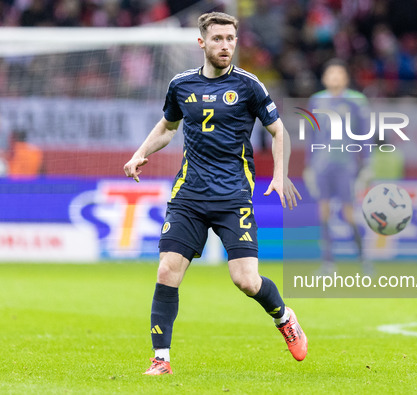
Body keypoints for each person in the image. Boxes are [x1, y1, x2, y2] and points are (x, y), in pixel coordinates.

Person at [123, 12, 306, 375]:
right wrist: (141, 152)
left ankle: (284, 316)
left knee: (246, 280)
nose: (225, 45)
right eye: (218, 38)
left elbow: (279, 131)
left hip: (233, 195)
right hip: (188, 195)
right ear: (202, 43)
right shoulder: (181, 85)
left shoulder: (250, 86)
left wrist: (280, 175)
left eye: (230, 39)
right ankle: (161, 359)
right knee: (166, 271)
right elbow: (167, 126)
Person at [303, 59, 371, 274]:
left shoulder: (357, 101)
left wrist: (367, 163)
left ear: (346, 78)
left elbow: (365, 134)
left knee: (349, 212)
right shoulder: (316, 101)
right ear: (324, 78)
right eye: (330, 74)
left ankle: (363, 259)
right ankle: (328, 262)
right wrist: (308, 165)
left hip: (346, 164)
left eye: (338, 74)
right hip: (322, 164)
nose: (334, 78)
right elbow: (311, 135)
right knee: (323, 211)